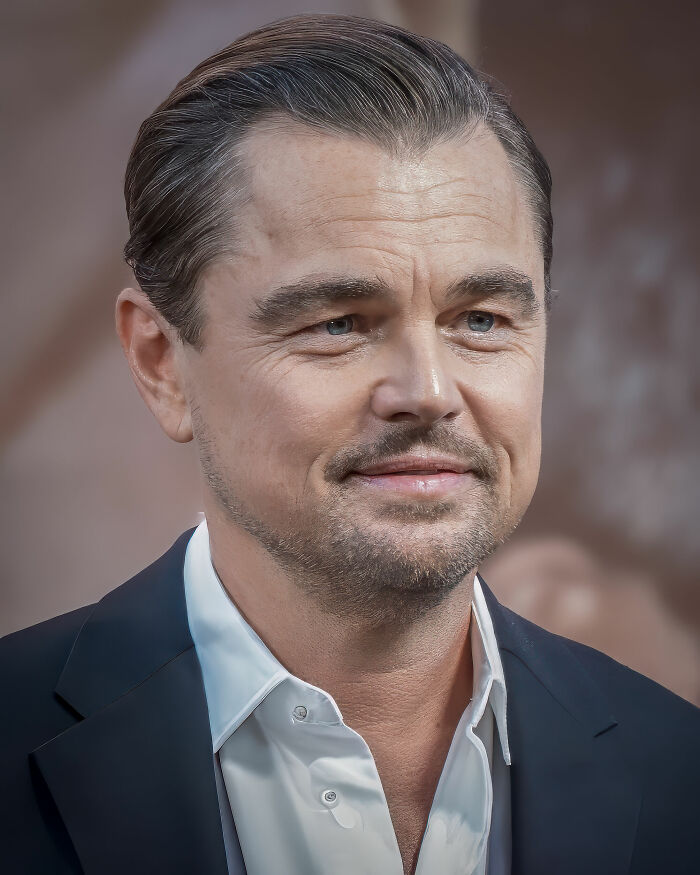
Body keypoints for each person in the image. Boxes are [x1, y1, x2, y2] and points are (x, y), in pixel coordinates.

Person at [1, 13, 698, 875]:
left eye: (481, 319)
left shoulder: (682, 774)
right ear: (161, 363)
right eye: (339, 323)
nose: (429, 392)